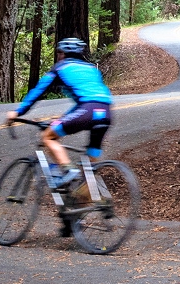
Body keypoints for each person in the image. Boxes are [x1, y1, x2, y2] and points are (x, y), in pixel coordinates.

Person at [6, 37, 113, 194]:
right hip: (106, 113)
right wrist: (59, 120)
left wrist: (18, 111)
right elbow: (90, 101)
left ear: (63, 53)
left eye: (59, 52)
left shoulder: (60, 67)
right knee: (88, 171)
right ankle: (82, 211)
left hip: (87, 111)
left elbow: (38, 91)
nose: (58, 55)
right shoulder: (92, 69)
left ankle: (68, 170)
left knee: (48, 137)